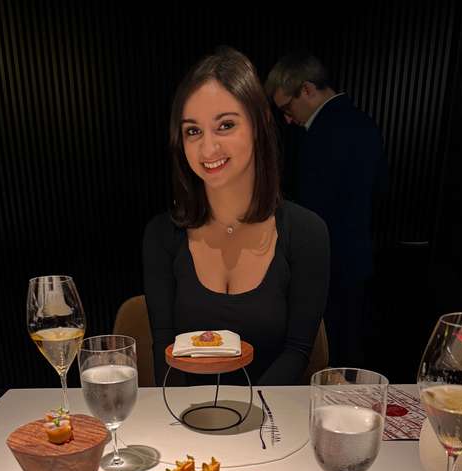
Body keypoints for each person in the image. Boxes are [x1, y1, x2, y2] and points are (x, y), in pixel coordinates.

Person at [143, 47, 330, 387]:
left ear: (259, 124)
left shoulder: (306, 232)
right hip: (185, 414)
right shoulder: (161, 235)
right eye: (193, 131)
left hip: (270, 413)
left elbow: (297, 351)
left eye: (225, 125)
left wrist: (244, 412)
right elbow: (164, 349)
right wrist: (189, 414)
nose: (208, 149)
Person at [265, 51, 388, 367]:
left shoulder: (321, 136)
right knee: (350, 349)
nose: (287, 119)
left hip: (327, 266)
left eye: (287, 108)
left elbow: (311, 213)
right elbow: (378, 193)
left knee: (327, 353)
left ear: (307, 89)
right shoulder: (365, 123)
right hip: (359, 259)